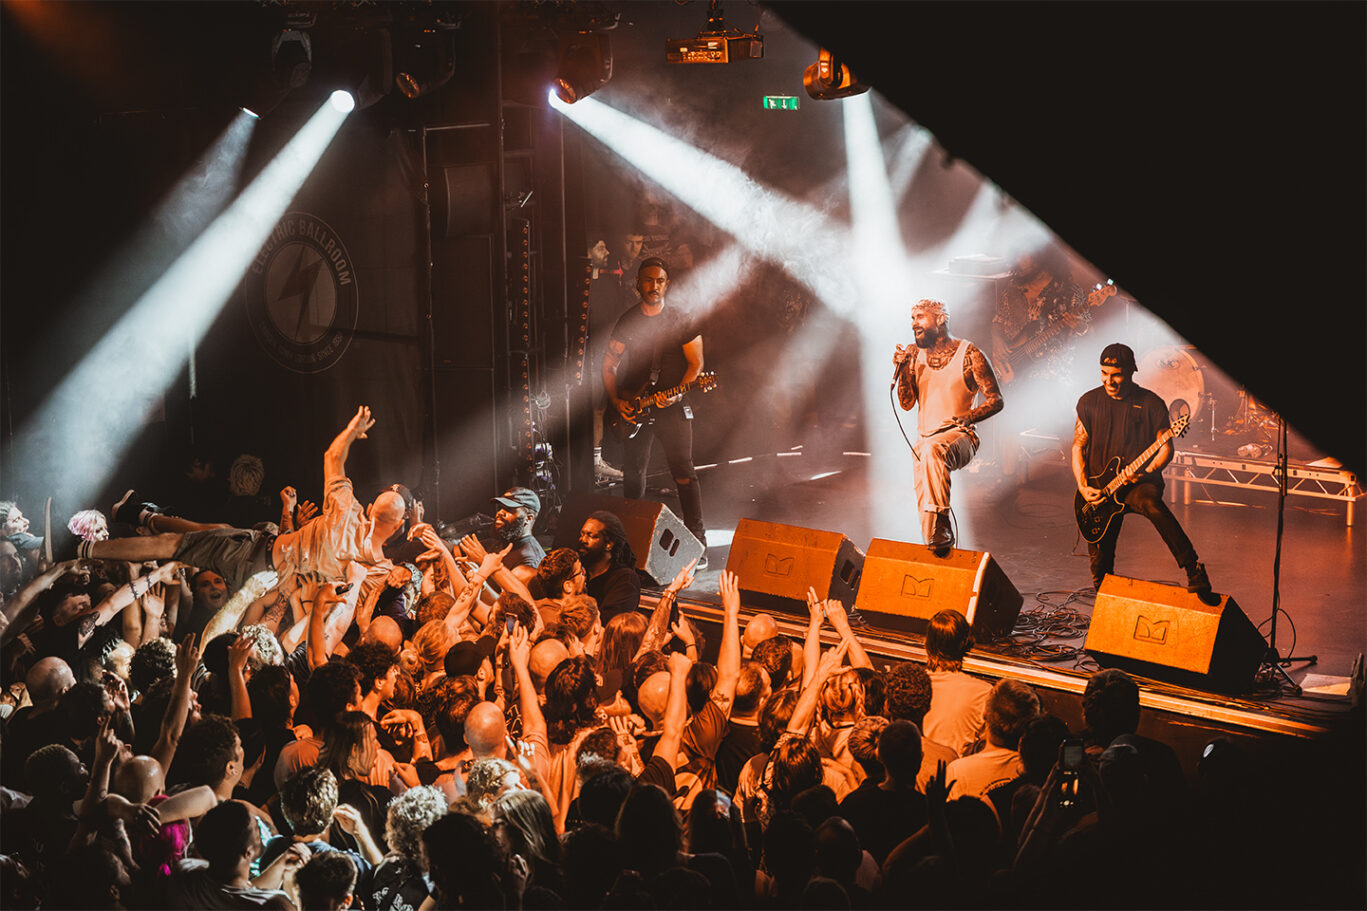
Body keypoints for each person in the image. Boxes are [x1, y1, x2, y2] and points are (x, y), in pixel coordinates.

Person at [1072, 343, 1212, 595]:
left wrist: (1146, 472)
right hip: (1101, 488)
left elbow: (1165, 448)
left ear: (1131, 371)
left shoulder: (1151, 403)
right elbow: (1078, 446)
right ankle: (1104, 594)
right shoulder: (1088, 401)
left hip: (1139, 482)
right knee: (1100, 569)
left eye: (1116, 375)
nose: (1109, 381)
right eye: (1104, 373)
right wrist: (1083, 487)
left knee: (1152, 505)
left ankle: (1193, 568)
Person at [602, 257, 708, 564]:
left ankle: (698, 541)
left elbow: (696, 364)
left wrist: (678, 394)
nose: (654, 286)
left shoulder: (680, 319)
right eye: (648, 280)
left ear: (667, 284)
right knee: (634, 474)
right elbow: (608, 365)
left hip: (671, 407)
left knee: (684, 472)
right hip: (635, 407)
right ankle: (631, 541)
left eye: (660, 280)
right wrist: (616, 401)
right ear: (637, 283)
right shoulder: (628, 321)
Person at [893, 298, 1004, 554]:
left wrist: (970, 417)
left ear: (940, 318)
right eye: (912, 318)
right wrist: (904, 369)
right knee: (928, 524)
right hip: (925, 443)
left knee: (934, 451)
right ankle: (938, 550)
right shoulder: (913, 353)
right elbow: (906, 403)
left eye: (920, 317)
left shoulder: (970, 354)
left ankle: (944, 522)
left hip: (960, 436)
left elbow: (996, 400)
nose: (914, 324)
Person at [577, 511, 641, 623]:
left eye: (591, 536)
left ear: (609, 544)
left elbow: (608, 621)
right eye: (582, 534)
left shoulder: (625, 579)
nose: (583, 540)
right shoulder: (578, 570)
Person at [489, 487, 545, 583]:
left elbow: (511, 593)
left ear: (528, 518)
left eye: (509, 509)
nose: (500, 513)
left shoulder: (529, 561)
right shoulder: (503, 541)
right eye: (501, 508)